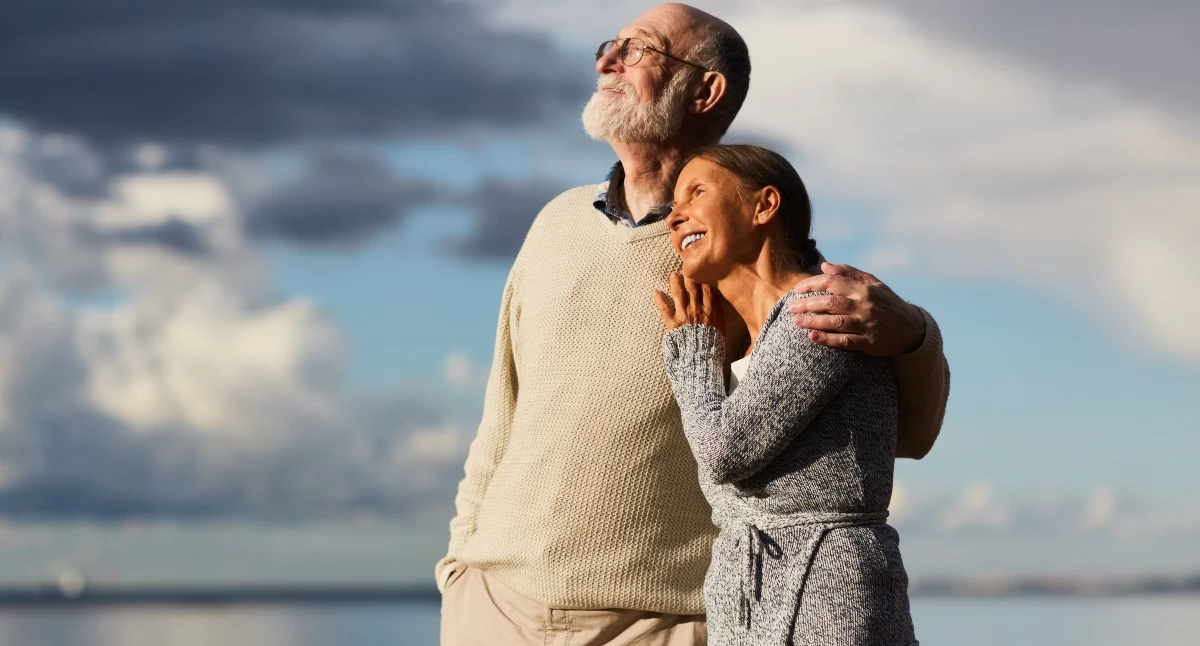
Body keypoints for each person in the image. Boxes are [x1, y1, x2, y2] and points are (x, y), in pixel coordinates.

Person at [438, 4, 949, 644]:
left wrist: (915, 335)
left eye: (638, 50)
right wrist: (460, 565)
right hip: (492, 607)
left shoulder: (739, 252)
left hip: (659, 623)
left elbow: (901, 434)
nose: (607, 61)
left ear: (705, 91)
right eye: (609, 46)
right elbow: (502, 409)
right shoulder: (555, 223)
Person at [655, 144, 916, 645]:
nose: (674, 216)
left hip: (826, 589)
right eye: (672, 204)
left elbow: (723, 451)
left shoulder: (822, 310)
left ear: (764, 205)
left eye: (696, 193)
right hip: (747, 596)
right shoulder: (747, 344)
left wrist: (692, 351)